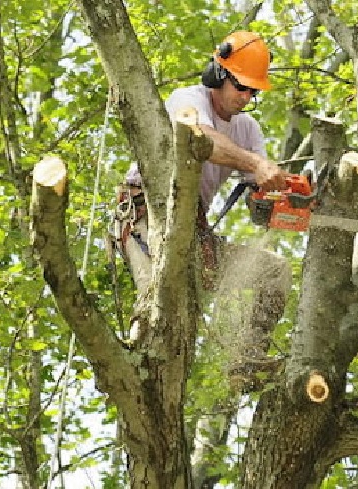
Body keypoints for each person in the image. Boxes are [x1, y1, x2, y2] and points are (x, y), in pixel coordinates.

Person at [111, 31, 292, 390]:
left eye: (253, 92)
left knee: (275, 271)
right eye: (241, 87)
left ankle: (247, 361)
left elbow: (258, 192)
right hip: (149, 217)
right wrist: (255, 163)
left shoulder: (248, 129)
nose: (246, 97)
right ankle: (136, 376)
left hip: (194, 231)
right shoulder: (188, 100)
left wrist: (281, 193)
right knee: (158, 308)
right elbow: (203, 140)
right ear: (218, 75)